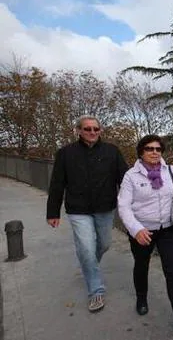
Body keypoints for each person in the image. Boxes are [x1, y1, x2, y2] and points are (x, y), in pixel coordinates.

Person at [117, 134, 173, 334]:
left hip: (168, 229)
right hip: (143, 231)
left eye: (158, 149)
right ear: (141, 152)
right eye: (149, 149)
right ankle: (141, 298)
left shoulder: (171, 171)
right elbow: (123, 206)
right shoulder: (131, 176)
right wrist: (136, 229)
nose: (154, 152)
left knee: (172, 271)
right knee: (141, 265)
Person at [47, 115, 129, 313]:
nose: (92, 132)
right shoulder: (65, 153)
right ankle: (96, 290)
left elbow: (126, 180)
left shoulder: (112, 151)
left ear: (100, 131)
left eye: (95, 129)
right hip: (78, 209)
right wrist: (52, 211)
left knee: (105, 244)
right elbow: (57, 183)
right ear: (78, 131)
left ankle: (87, 264)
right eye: (87, 129)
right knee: (86, 248)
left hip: (105, 207)